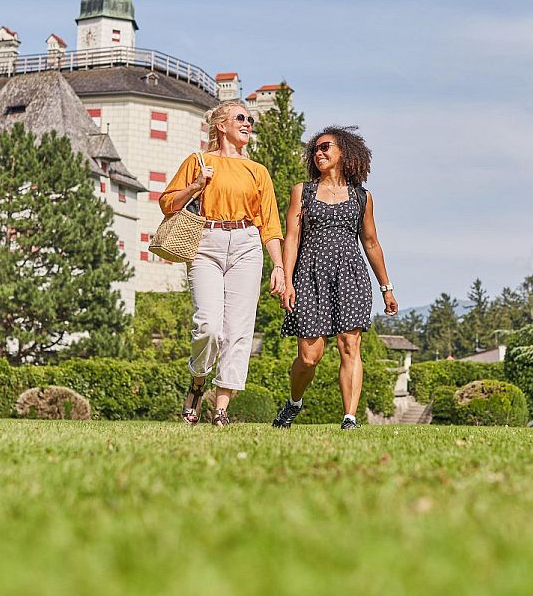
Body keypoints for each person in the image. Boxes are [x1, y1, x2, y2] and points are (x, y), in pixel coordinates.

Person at [160, 100, 285, 426]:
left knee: (238, 331)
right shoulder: (199, 161)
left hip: (246, 245)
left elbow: (270, 224)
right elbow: (167, 204)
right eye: (241, 118)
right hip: (207, 243)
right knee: (208, 326)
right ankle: (198, 382)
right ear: (221, 124)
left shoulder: (258, 171)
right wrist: (195, 186)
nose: (248, 124)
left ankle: (221, 409)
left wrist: (279, 267)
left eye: (250, 121)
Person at [273, 126, 398, 430]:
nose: (319, 153)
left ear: (344, 152)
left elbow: (370, 243)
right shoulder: (303, 192)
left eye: (326, 147)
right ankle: (294, 402)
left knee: (350, 346)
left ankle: (350, 418)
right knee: (309, 356)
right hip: (309, 276)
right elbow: (291, 238)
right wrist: (287, 281)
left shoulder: (361, 197)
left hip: (350, 276)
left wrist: (387, 288)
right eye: (315, 149)